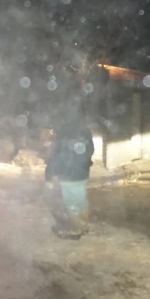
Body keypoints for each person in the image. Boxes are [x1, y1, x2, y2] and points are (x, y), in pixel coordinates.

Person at [45, 101, 95, 239]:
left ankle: (76, 229)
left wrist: (49, 177)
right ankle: (85, 225)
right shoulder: (85, 130)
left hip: (68, 176)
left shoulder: (63, 132)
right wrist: (84, 162)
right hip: (83, 173)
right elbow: (90, 149)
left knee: (71, 205)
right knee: (81, 200)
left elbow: (56, 157)